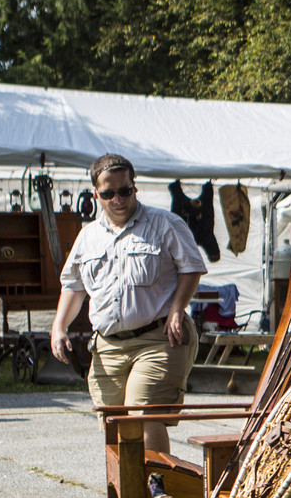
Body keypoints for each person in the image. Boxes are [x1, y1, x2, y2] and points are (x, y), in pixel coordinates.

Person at [52, 154, 208, 455]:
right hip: (108, 345)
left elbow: (192, 267)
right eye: (109, 194)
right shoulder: (88, 237)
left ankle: (158, 491)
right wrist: (59, 326)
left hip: (158, 338)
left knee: (144, 414)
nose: (118, 199)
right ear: (96, 195)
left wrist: (177, 308)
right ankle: (131, 496)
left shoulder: (165, 224)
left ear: (134, 188)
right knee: (117, 424)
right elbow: (73, 285)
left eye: (125, 191)